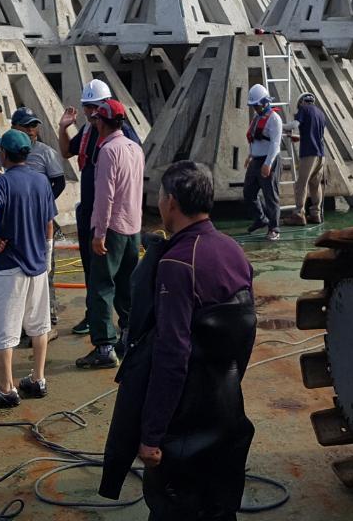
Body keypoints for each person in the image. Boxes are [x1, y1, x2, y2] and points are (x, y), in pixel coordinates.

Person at [99, 160, 256, 520]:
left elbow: (172, 355)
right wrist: (227, 383)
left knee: (174, 507)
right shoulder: (233, 250)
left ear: (170, 202)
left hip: (184, 422)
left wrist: (152, 434)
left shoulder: (178, 263)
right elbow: (246, 332)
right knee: (219, 506)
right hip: (227, 410)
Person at [0, 129, 58, 409]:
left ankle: (7, 389)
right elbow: (49, 223)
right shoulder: (42, 181)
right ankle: (38, 378)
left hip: (9, 266)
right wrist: (46, 255)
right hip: (37, 266)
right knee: (39, 325)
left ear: (4, 154)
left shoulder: (2, 184)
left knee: (3, 331)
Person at [56, 79, 141, 336]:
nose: (91, 113)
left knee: (108, 280)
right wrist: (63, 128)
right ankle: (102, 320)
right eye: (87, 107)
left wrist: (101, 231)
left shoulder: (117, 142)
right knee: (95, 274)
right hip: (97, 215)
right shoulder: (89, 132)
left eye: (94, 108)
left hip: (109, 219)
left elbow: (108, 192)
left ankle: (110, 337)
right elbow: (67, 152)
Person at [76, 98, 144, 370]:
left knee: (101, 287)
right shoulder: (134, 148)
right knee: (127, 286)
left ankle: (104, 346)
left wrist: (98, 234)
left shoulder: (107, 151)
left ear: (102, 122)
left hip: (112, 229)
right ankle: (128, 336)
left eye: (96, 120)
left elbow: (105, 197)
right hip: (133, 229)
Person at [12, 107, 65, 340]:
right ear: (15, 128)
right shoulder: (7, 151)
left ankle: (48, 316)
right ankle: (22, 320)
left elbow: (59, 183)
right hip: (17, 223)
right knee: (19, 272)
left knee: (45, 270)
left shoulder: (46, 153)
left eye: (34, 126)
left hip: (41, 221)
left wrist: (42, 205)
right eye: (27, 126)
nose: (32, 131)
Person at [243, 83, 283, 242]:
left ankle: (274, 228)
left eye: (257, 105)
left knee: (270, 196)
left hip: (269, 159)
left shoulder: (274, 119)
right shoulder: (257, 117)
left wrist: (268, 164)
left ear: (265, 103)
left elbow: (274, 144)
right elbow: (255, 140)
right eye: (253, 106)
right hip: (256, 159)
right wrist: (250, 155)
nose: (255, 108)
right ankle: (261, 219)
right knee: (248, 193)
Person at [282, 92, 326, 227]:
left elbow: (294, 125)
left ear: (301, 102)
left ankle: (299, 214)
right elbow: (314, 134)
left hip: (308, 154)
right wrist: (299, 137)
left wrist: (280, 125)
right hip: (321, 155)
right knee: (315, 184)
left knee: (301, 184)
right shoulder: (320, 113)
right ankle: (315, 214)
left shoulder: (304, 109)